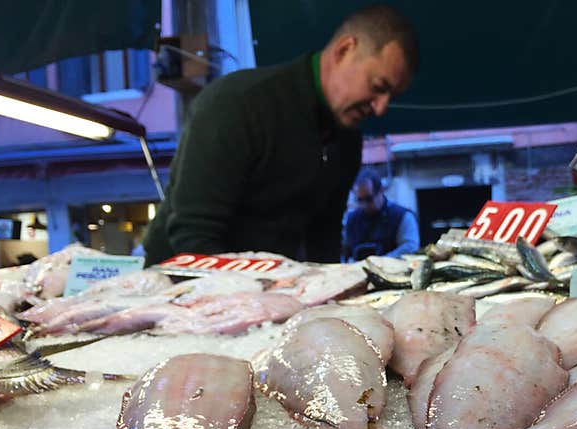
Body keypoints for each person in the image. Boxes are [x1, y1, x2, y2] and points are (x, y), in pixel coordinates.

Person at [142, 5, 418, 268]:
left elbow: (324, 237)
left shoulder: (346, 141)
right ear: (344, 50)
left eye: (390, 97)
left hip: (266, 292)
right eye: (377, 86)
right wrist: (250, 301)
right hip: (179, 290)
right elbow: (193, 234)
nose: (381, 108)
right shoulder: (237, 104)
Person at [343, 169, 420, 260]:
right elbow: (346, 251)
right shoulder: (352, 219)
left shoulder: (403, 216)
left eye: (369, 199)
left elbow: (410, 248)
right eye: (360, 200)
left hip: (393, 271)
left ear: (381, 191)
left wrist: (380, 262)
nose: (364, 205)